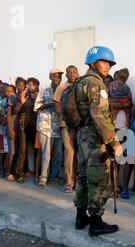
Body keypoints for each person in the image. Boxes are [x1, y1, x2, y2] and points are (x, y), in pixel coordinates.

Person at [73, 46, 123, 237]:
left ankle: (80, 217)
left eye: (110, 63)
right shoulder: (96, 84)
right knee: (99, 179)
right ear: (93, 63)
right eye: (104, 62)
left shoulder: (80, 82)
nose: (108, 66)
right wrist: (114, 143)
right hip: (95, 139)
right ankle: (96, 222)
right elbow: (101, 116)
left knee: (83, 177)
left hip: (82, 137)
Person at [35, 69, 64, 187]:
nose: (57, 78)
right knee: (46, 154)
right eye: (55, 76)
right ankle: (43, 178)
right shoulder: (44, 90)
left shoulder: (64, 90)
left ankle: (54, 176)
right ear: (50, 77)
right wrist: (52, 104)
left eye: (59, 76)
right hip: (45, 126)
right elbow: (36, 106)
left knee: (58, 154)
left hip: (59, 126)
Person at [53, 65, 79, 193]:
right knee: (69, 153)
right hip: (66, 124)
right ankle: (69, 181)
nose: (72, 74)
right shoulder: (61, 88)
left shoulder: (81, 86)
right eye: (69, 72)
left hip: (80, 125)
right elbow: (57, 105)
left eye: (74, 72)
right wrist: (65, 117)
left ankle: (80, 181)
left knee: (81, 154)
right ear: (66, 75)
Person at [15, 77, 39, 184]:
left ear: (37, 85)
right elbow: (15, 110)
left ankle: (36, 174)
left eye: (33, 84)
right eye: (29, 84)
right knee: (22, 150)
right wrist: (22, 101)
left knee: (36, 150)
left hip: (36, 127)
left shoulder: (40, 95)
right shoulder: (23, 95)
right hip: (23, 126)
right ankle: (20, 174)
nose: (30, 86)